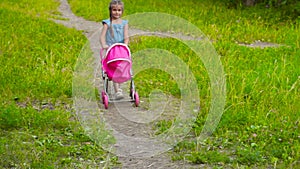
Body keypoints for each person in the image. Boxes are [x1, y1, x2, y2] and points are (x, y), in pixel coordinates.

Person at [100, 0, 129, 100]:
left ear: (122, 11)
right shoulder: (107, 23)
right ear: (111, 11)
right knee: (115, 67)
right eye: (115, 10)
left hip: (121, 50)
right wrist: (104, 44)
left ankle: (119, 88)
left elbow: (126, 36)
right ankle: (118, 91)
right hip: (111, 50)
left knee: (122, 66)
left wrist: (125, 44)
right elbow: (102, 36)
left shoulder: (124, 23)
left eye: (119, 10)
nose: (117, 12)